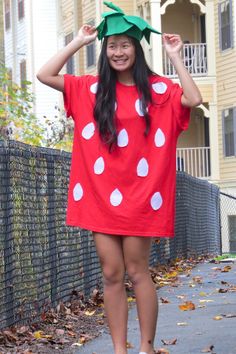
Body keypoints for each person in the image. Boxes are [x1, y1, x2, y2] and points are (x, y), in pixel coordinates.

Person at [37, 2, 202, 354]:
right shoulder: (89, 89)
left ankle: (145, 348)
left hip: (143, 195)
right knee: (111, 274)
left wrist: (174, 56)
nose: (118, 51)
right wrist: (79, 42)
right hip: (101, 194)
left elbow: (194, 97)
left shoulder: (158, 91)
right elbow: (44, 74)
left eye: (125, 44)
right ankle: (119, 350)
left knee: (138, 270)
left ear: (136, 49)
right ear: (104, 51)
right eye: (112, 45)